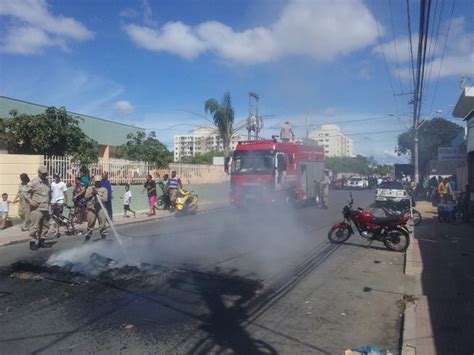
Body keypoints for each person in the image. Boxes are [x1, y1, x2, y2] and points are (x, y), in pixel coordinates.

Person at [22, 166, 51, 250]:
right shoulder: (34, 182)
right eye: (43, 173)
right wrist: (31, 202)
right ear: (39, 173)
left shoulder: (46, 181)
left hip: (45, 207)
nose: (45, 175)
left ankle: (42, 241)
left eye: (45, 173)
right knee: (35, 225)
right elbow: (24, 192)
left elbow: (48, 193)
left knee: (45, 225)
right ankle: (32, 242)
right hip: (37, 208)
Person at [84, 175, 108, 241]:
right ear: (94, 181)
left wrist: (97, 194)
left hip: (100, 208)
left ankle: (103, 237)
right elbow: (86, 196)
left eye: (98, 181)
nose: (97, 183)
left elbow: (105, 199)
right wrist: (92, 193)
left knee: (102, 223)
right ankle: (88, 237)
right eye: (96, 181)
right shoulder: (90, 188)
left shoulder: (104, 189)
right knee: (90, 223)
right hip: (92, 208)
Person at [50, 173, 68, 237]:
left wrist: (65, 201)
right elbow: (51, 192)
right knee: (53, 215)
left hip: (60, 200)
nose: (56, 178)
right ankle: (63, 222)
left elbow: (65, 193)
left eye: (57, 177)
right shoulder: (52, 184)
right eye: (55, 177)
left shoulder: (63, 184)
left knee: (57, 215)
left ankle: (57, 230)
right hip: (53, 201)